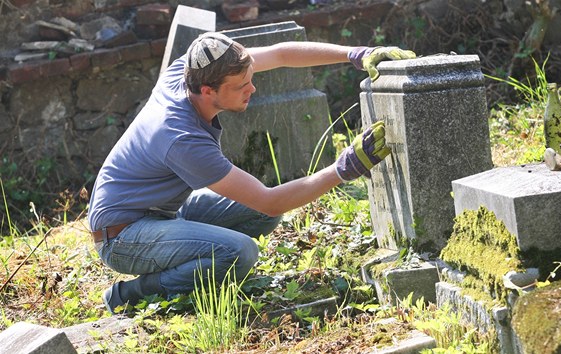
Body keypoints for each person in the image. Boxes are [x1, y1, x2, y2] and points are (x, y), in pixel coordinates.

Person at [87, 31, 416, 314]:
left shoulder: (188, 71)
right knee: (240, 251)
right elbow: (270, 201)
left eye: (250, 79)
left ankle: (194, 256)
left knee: (258, 215)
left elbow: (281, 54)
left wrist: (355, 53)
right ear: (208, 91)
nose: (253, 89)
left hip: (158, 212)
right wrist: (346, 169)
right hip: (123, 236)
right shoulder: (181, 138)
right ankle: (130, 294)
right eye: (241, 85)